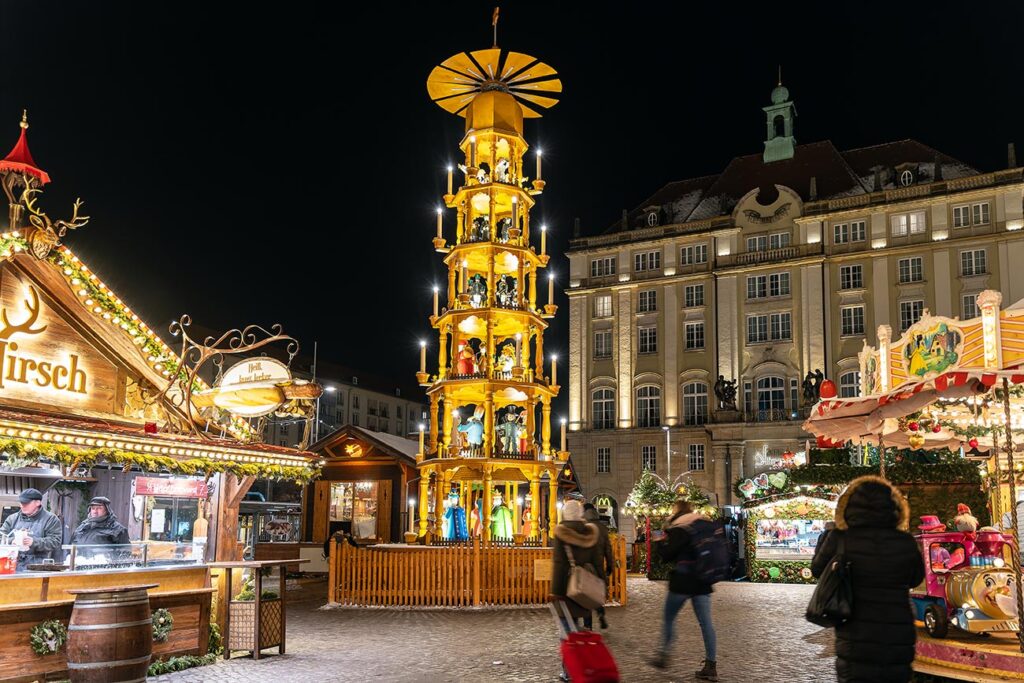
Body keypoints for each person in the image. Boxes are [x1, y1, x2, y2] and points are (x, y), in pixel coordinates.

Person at [811, 476, 925, 683]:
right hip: (897, 631)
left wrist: (828, 539)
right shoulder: (905, 541)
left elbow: (818, 570)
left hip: (855, 631)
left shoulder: (841, 538)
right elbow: (915, 579)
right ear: (895, 507)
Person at [649, 499, 718, 680]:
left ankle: (663, 654)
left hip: (683, 580)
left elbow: (667, 555)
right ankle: (711, 665)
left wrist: (658, 540)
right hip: (703, 581)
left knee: (669, 618)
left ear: (677, 511)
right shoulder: (702, 525)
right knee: (706, 623)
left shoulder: (680, 528)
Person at [549, 500, 603, 681]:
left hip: (565, 587)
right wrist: (601, 585)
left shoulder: (561, 532)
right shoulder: (589, 532)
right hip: (584, 586)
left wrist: (555, 591)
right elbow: (597, 562)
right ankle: (582, 665)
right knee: (578, 625)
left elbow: (558, 563)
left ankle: (569, 670)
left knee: (565, 630)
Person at [0, 488, 63, 571]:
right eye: (21, 503)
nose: (22, 505)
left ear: (38, 502)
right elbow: (1, 536)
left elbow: (55, 541)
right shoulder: (12, 518)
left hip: (37, 568)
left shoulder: (51, 519)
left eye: (25, 503)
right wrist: (12, 541)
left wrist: (34, 542)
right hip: (12, 565)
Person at [583, 502, 615, 630]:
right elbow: (608, 549)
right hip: (598, 566)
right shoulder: (602, 528)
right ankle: (601, 613)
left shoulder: (583, 527)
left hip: (585, 566)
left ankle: (588, 625)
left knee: (585, 596)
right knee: (595, 594)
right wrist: (610, 566)